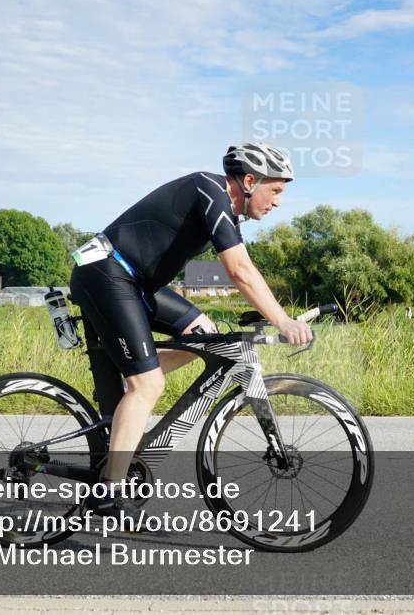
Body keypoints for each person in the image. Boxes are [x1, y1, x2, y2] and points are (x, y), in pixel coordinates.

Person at [68, 142, 314, 510]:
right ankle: (109, 490)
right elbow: (240, 270)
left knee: (204, 334)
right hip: (105, 272)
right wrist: (281, 319)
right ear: (249, 180)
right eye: (275, 190)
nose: (277, 201)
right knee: (148, 384)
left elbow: (241, 271)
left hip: (134, 282)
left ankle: (131, 380)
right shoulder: (210, 191)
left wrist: (273, 314)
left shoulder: (225, 209)